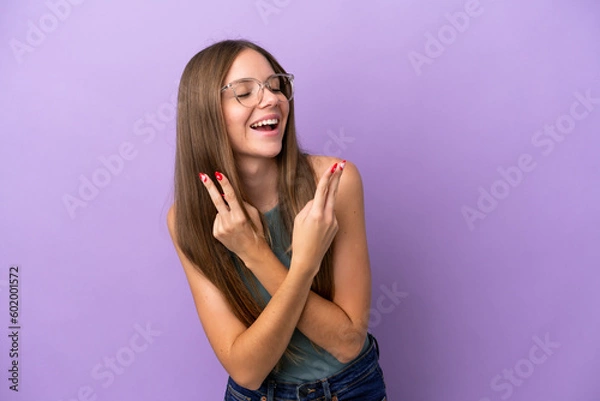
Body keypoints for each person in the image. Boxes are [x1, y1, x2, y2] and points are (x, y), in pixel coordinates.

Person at [167, 39, 387, 401]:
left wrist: (255, 254)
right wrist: (302, 268)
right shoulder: (187, 220)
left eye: (275, 85)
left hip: (351, 389)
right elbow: (247, 370)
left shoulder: (335, 183)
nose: (270, 99)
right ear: (205, 112)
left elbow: (347, 343)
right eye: (244, 91)